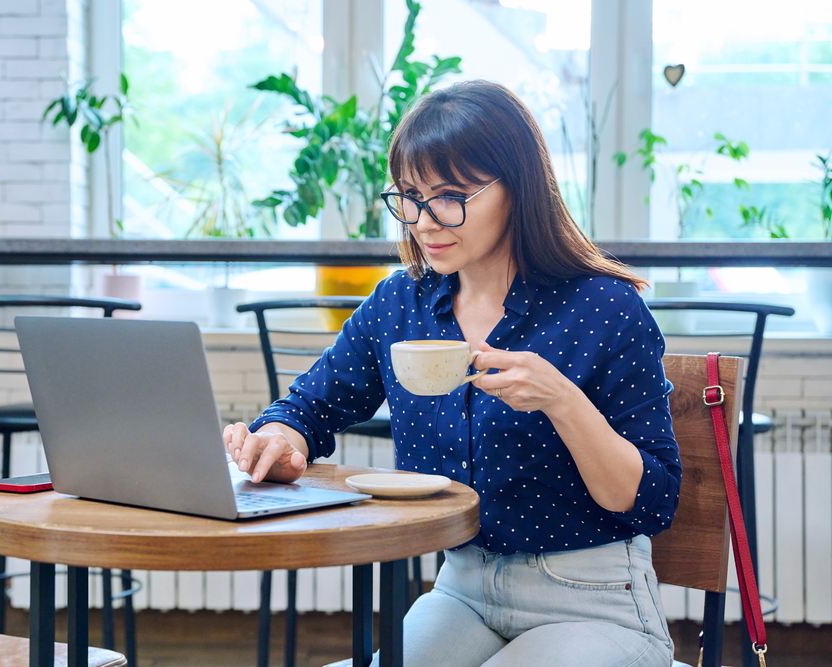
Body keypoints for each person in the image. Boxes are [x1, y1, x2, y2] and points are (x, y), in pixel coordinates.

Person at [224, 80, 679, 667]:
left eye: (451, 195)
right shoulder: (400, 303)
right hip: (461, 589)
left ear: (518, 188)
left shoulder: (604, 307)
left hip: (593, 599)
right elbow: (310, 405)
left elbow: (650, 502)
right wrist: (280, 441)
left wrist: (563, 401)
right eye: (409, 196)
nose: (424, 221)